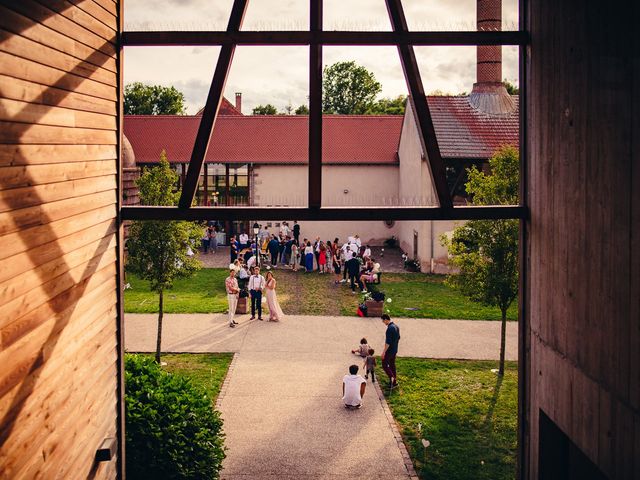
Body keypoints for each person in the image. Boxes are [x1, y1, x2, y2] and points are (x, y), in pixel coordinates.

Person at [381, 314, 400, 388]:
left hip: (390, 350)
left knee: (384, 364)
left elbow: (388, 342)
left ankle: (392, 379)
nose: (383, 322)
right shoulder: (396, 326)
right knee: (392, 365)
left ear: (386, 319)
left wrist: (384, 352)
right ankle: (394, 382)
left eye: (383, 321)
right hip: (395, 349)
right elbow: (398, 338)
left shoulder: (389, 329)